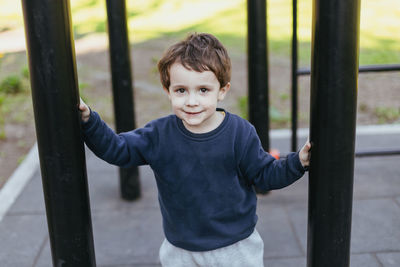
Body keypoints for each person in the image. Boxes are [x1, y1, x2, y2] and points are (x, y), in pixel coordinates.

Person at [79, 32, 311, 267]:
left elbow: (265, 174)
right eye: (181, 90)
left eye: (203, 90)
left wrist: (297, 162)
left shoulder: (239, 133)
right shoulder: (159, 135)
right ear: (167, 89)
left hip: (235, 247)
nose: (192, 101)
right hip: (181, 250)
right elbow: (117, 149)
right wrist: (89, 121)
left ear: (222, 90)